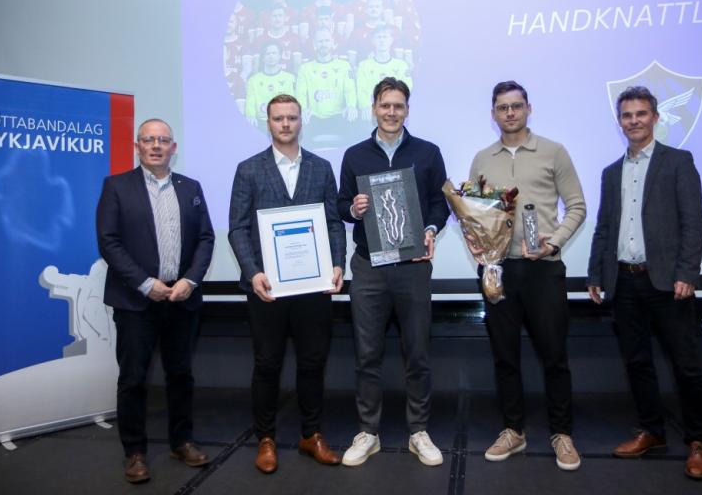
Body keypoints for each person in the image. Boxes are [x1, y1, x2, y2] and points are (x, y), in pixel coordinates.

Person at [587, 86, 702, 479]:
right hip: (624, 282)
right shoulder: (611, 172)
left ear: (655, 118)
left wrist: (687, 274)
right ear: (619, 121)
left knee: (686, 366)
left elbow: (693, 222)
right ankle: (653, 432)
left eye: (641, 114)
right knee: (637, 363)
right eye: (627, 115)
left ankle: (699, 443)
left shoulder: (678, 162)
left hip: (667, 284)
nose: (634, 121)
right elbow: (605, 228)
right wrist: (595, 274)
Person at [467, 81, 586, 471]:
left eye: (517, 106)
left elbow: (577, 207)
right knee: (505, 358)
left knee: (554, 357)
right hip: (498, 270)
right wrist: (481, 247)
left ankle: (562, 435)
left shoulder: (554, 151)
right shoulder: (483, 158)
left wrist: (555, 243)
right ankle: (513, 431)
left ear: (528, 109)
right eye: (502, 107)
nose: (510, 113)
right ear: (493, 114)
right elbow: (476, 213)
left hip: (543, 269)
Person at [228, 94, 346, 474]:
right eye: (278, 118)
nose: (285, 124)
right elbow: (238, 228)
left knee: (313, 363)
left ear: (301, 121)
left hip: (313, 287)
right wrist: (252, 271)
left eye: (291, 118)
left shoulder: (321, 167)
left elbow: (332, 223)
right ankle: (265, 438)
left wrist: (338, 264)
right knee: (267, 364)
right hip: (267, 287)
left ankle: (311, 435)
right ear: (269, 123)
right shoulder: (248, 169)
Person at [337, 77, 449, 467]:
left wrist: (432, 229)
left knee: (417, 353)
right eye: (385, 105)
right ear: (374, 108)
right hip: (368, 268)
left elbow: (440, 203)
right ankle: (369, 432)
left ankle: (418, 431)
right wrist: (354, 209)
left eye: (398, 106)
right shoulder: (354, 156)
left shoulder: (428, 153)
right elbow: (340, 205)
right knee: (367, 355)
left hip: (413, 268)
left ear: (407, 109)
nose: (391, 112)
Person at [96, 118, 215, 483]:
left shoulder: (190, 187)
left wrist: (191, 280)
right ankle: (134, 453)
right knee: (133, 378)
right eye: (149, 140)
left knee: (181, 375)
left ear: (173, 148)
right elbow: (108, 241)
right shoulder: (116, 186)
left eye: (163, 140)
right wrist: (146, 284)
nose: (156, 146)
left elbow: (206, 239)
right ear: (138, 146)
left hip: (181, 299)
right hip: (137, 301)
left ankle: (182, 441)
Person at [244, 42, 296, 128]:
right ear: (263, 58)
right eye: (268, 53)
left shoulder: (290, 78)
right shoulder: (253, 80)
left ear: (279, 56)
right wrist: (251, 116)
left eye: (274, 53)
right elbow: (250, 104)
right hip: (261, 123)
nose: (271, 56)